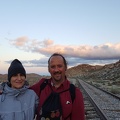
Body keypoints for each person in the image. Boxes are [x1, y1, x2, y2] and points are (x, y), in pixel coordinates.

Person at [30, 53, 85, 120]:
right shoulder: (42, 85)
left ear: (65, 67)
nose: (56, 70)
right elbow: (23, 93)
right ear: (49, 69)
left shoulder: (75, 93)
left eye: (59, 66)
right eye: (53, 67)